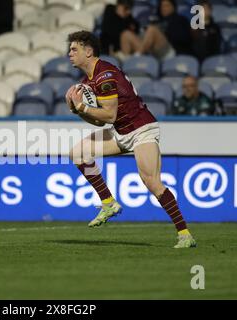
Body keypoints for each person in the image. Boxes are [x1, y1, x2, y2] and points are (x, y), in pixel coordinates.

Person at [65, 31, 196, 248]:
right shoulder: (87, 81)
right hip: (120, 132)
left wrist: (81, 106)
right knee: (78, 153)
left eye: (74, 49)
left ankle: (185, 234)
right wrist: (80, 112)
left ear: (88, 52)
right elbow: (100, 122)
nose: (69, 53)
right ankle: (109, 203)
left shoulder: (104, 76)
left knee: (151, 182)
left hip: (141, 130)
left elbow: (109, 115)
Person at [118, 0, 192, 61]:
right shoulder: (158, 20)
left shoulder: (180, 19)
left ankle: (136, 59)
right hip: (151, 52)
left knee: (152, 30)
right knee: (125, 34)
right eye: (162, 6)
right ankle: (126, 65)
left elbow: (185, 38)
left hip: (171, 51)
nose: (164, 8)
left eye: (167, 6)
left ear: (173, 7)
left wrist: (165, 33)